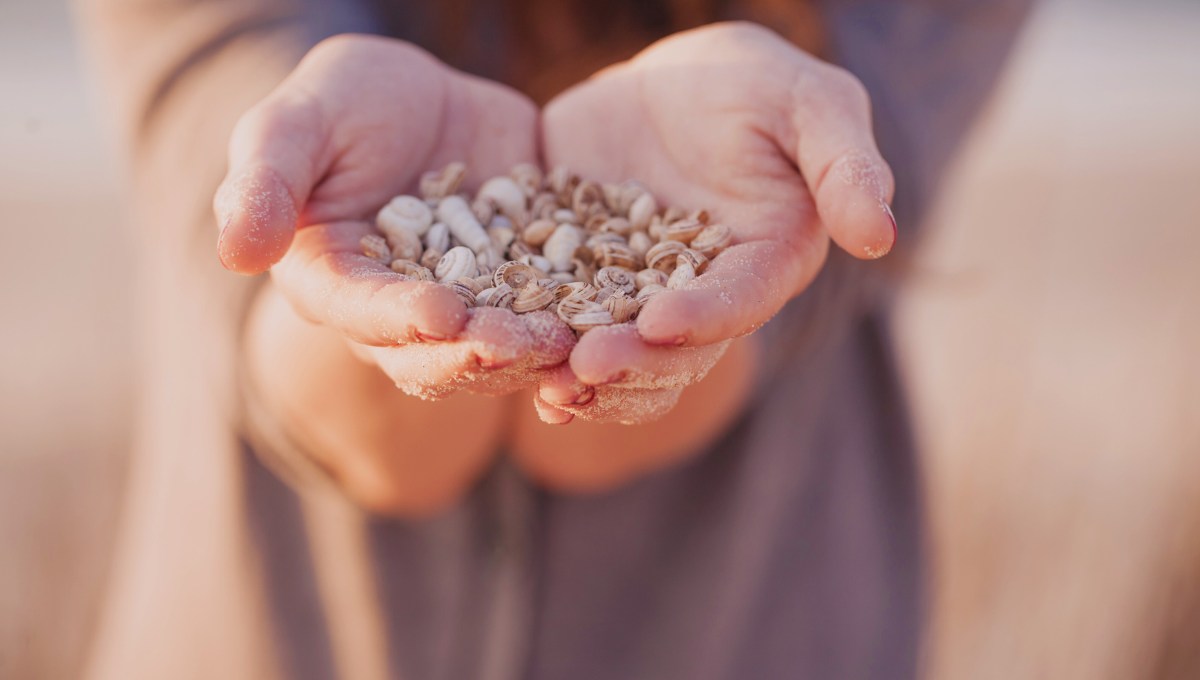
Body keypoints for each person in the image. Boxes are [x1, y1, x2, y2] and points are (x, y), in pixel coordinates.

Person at [78, 1, 1031, 678]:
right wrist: (341, 238)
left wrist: (654, 306)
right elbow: (360, 428)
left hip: (758, 627)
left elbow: (631, 411)